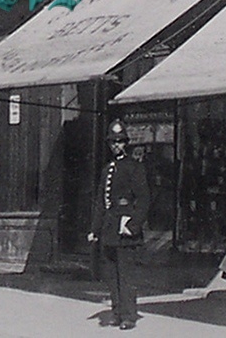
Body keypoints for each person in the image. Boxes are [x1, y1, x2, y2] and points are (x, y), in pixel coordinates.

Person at [89, 120, 149, 330]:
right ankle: (116, 312)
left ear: (126, 143)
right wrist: (95, 229)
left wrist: (133, 225)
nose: (116, 145)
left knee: (126, 275)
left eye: (120, 141)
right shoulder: (107, 169)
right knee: (111, 275)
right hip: (109, 230)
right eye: (113, 142)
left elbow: (144, 199)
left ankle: (129, 315)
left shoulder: (135, 167)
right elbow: (101, 202)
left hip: (125, 230)